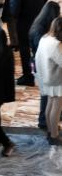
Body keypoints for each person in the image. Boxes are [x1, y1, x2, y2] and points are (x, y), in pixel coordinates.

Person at [35, 16, 62, 145]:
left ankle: (51, 130)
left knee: (50, 103)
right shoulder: (56, 44)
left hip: (45, 76)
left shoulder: (45, 38)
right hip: (56, 78)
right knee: (56, 106)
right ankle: (54, 136)